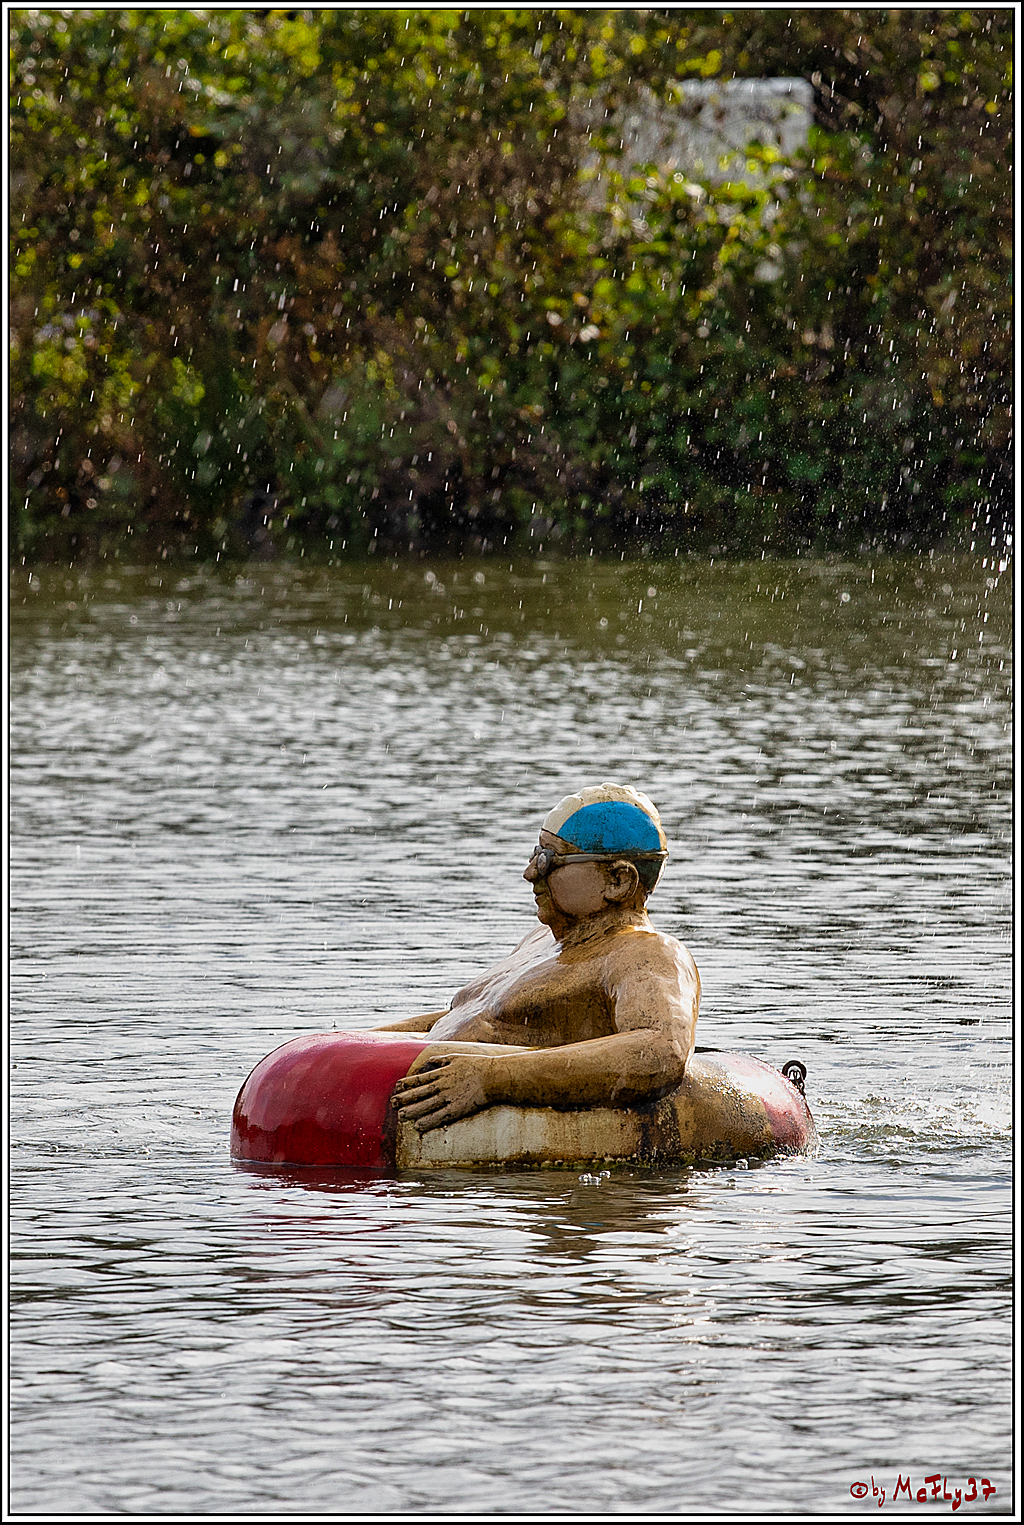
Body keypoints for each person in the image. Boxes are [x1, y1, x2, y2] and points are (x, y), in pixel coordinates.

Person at [381, 783, 700, 1134]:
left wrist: (492, 1079)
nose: (531, 873)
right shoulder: (540, 942)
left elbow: (658, 1050)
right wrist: (354, 1043)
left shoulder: (646, 954)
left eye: (549, 859)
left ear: (618, 881)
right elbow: (470, 1016)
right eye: (535, 854)